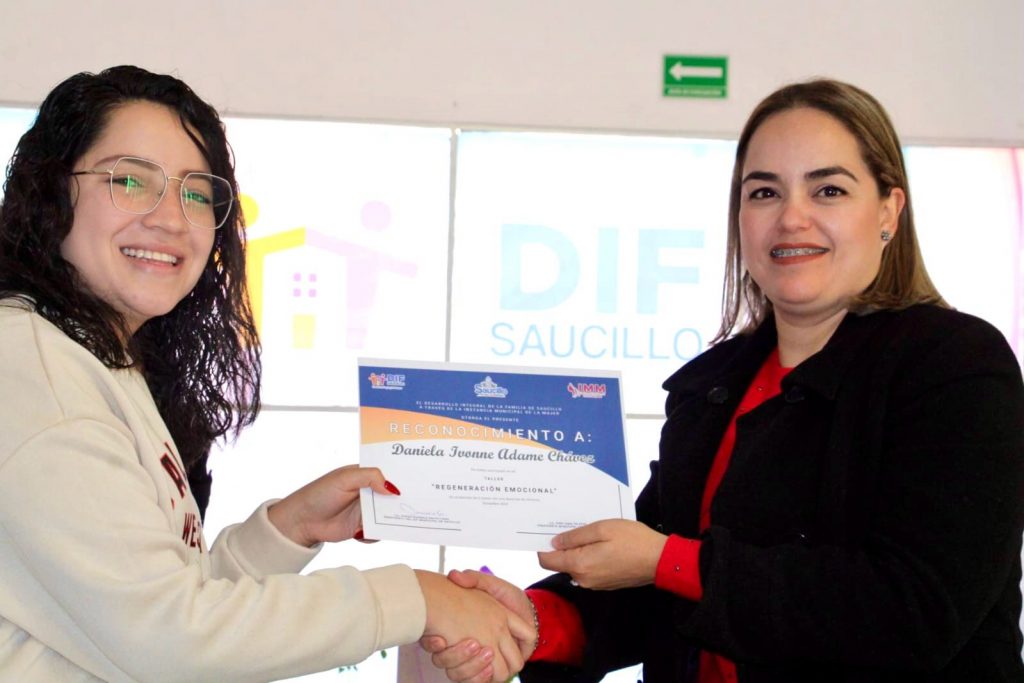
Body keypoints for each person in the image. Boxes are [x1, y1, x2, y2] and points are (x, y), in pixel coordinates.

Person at [423, 78, 1024, 682]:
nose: (792, 218)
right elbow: (653, 587)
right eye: (764, 192)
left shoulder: (956, 365)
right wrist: (532, 621)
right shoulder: (714, 386)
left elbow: (914, 610)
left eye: (829, 190)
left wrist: (667, 560)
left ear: (889, 211)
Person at [0, 65, 532, 683]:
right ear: (50, 191)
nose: (170, 218)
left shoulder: (86, 355)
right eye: (130, 181)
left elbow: (139, 609)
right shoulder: (38, 374)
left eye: (196, 193)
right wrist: (414, 598)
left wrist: (288, 530)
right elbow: (169, 639)